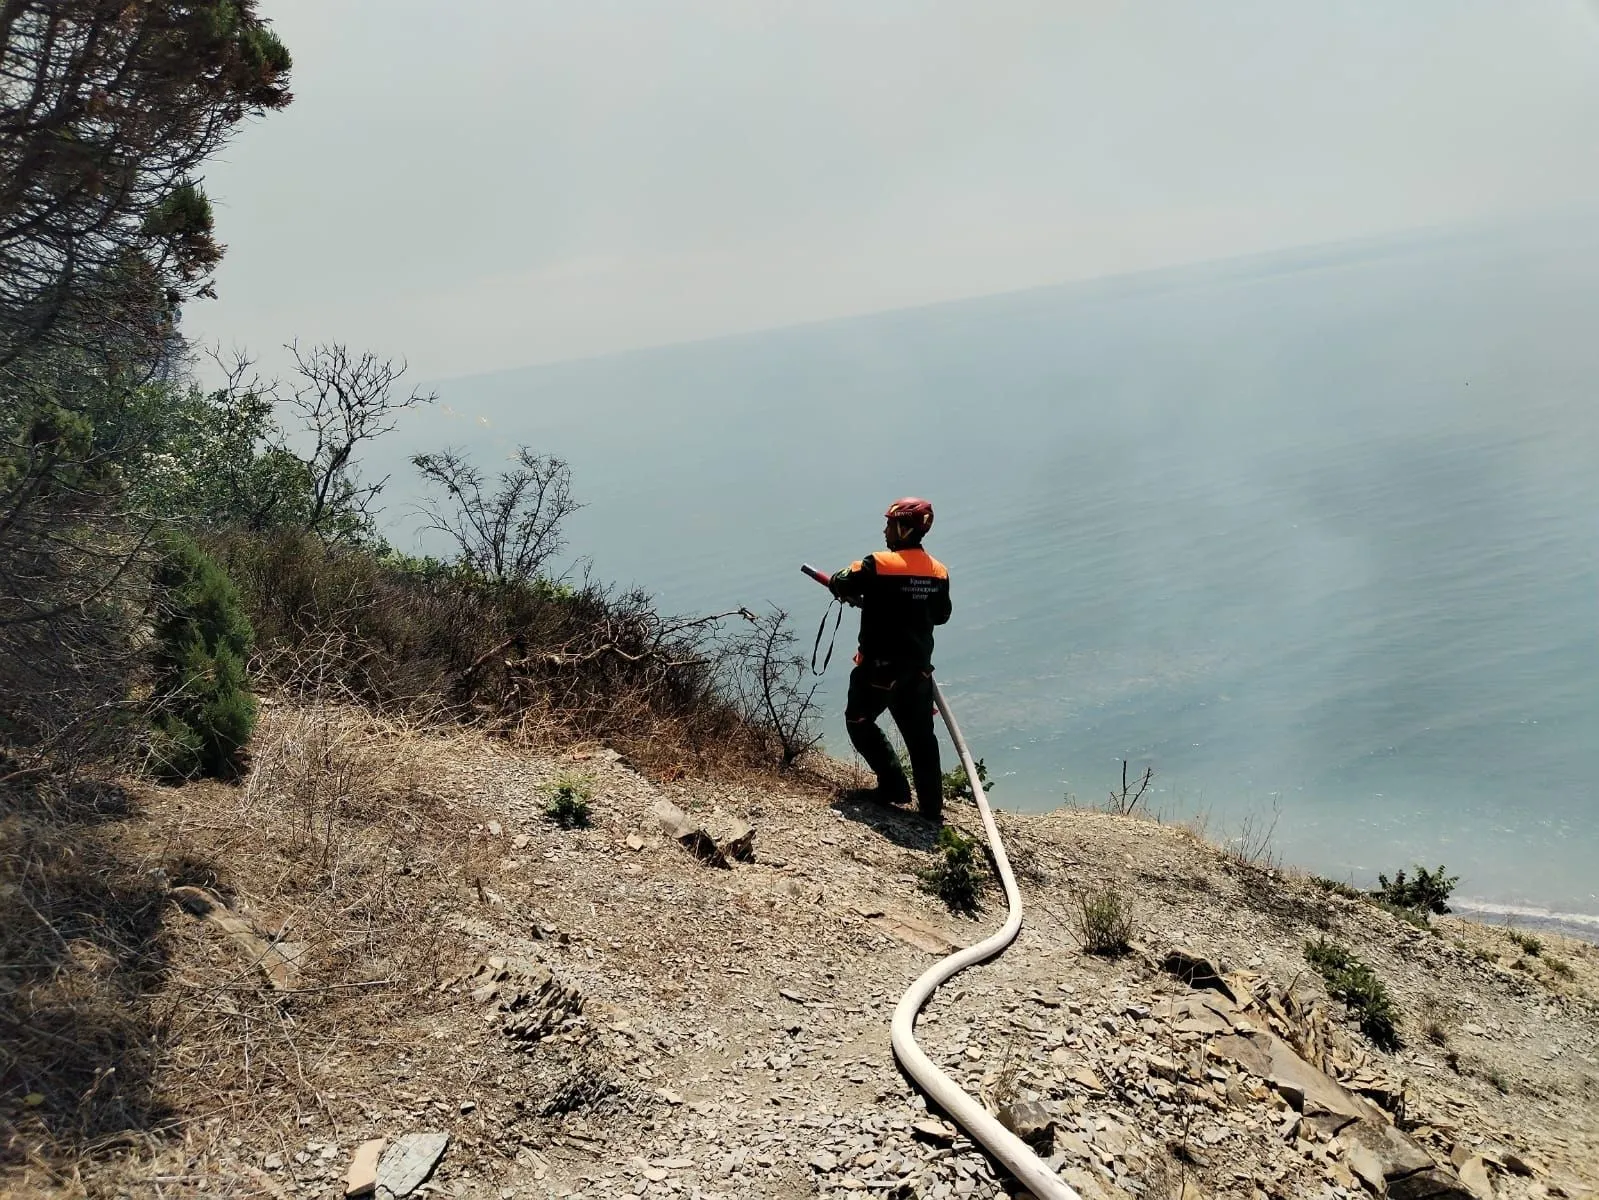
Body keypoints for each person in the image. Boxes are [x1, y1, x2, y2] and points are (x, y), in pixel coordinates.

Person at [829, 497, 951, 823]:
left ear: (902, 527)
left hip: (879, 670)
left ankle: (894, 786)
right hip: (919, 673)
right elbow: (941, 616)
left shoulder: (878, 564)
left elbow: (841, 581)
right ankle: (931, 808)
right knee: (922, 739)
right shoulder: (939, 572)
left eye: (888, 524)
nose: (884, 530)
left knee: (858, 720)